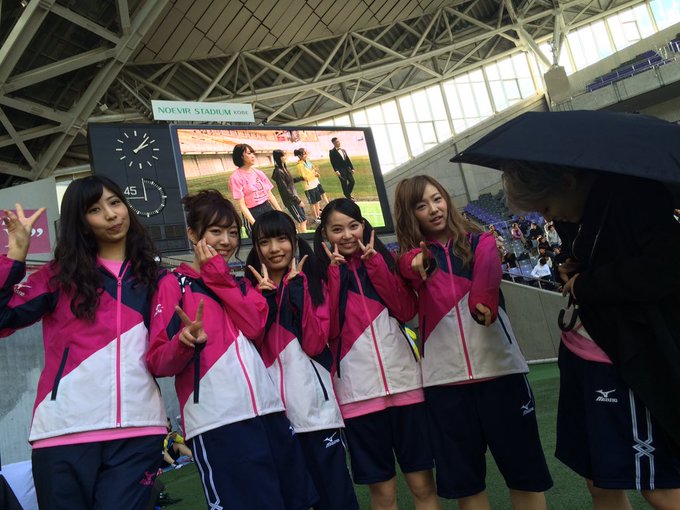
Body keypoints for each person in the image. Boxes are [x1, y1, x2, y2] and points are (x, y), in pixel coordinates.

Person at [502, 162, 680, 510]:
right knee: (600, 480)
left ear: (568, 182)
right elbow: (596, 258)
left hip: (626, 356)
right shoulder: (579, 213)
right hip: (584, 351)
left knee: (658, 485)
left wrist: (588, 283)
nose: (547, 217)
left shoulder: (635, 197)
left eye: (546, 207)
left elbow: (665, 268)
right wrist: (570, 267)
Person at [0, 176, 167, 510]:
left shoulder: (156, 278)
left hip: (139, 433)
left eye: (115, 202)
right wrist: (15, 254)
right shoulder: (57, 277)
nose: (111, 214)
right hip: (62, 433)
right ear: (81, 221)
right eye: (95, 209)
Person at [146, 189, 318, 510]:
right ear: (193, 235)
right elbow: (157, 360)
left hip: (269, 412)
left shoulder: (240, 284)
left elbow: (254, 327)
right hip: (217, 423)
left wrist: (217, 275)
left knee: (294, 502)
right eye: (216, 231)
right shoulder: (173, 284)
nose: (226, 241)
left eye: (232, 232)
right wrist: (183, 343)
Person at [393, 175, 552, 510]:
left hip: (502, 376)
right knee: (468, 488)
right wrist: (415, 261)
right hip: (445, 385)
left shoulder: (481, 243)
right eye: (421, 205)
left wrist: (483, 303)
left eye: (437, 198)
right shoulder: (409, 262)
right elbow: (406, 272)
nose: (433, 209)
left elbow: (487, 280)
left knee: (526, 479)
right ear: (410, 214)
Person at [313, 199, 440, 510]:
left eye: (353, 226)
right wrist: (334, 275)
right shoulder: (318, 277)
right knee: (383, 496)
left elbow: (406, 311)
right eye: (337, 229)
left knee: (423, 487)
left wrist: (376, 265)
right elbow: (328, 331)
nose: (347, 235)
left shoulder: (384, 261)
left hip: (407, 389)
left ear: (364, 227)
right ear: (325, 235)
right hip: (358, 399)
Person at [246, 211, 359, 510]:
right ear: (256, 248)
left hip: (316, 416)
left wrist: (298, 295)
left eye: (281, 239)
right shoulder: (247, 291)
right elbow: (251, 348)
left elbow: (315, 344)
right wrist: (263, 302)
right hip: (273, 420)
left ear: (294, 242)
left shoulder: (313, 284)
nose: (274, 249)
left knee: (336, 503)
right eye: (265, 242)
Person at [228, 143, 282, 234]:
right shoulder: (235, 177)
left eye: (253, 153)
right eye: (249, 153)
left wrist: (280, 212)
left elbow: (270, 195)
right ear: (241, 156)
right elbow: (242, 205)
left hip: (267, 207)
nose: (253, 156)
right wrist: (255, 224)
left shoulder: (259, 173)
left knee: (275, 233)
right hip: (252, 212)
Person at [271, 149, 307, 233]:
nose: (286, 157)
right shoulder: (279, 172)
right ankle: (303, 237)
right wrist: (298, 201)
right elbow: (285, 190)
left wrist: (301, 178)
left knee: (302, 220)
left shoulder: (284, 168)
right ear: (279, 158)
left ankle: (300, 235)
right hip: (291, 201)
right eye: (284, 155)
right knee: (302, 220)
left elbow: (289, 181)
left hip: (294, 198)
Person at [295, 147, 328, 223]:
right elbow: (304, 177)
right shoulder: (299, 165)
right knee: (312, 203)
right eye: (304, 154)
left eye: (306, 153)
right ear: (299, 156)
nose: (306, 155)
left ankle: (318, 215)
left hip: (314, 184)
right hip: (308, 186)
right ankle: (316, 218)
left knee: (317, 201)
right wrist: (313, 174)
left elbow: (312, 170)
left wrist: (315, 173)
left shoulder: (308, 161)